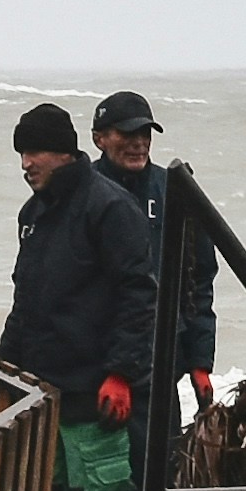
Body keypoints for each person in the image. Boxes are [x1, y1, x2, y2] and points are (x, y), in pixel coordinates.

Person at [0, 100, 161, 491]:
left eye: (35, 152)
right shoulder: (34, 214)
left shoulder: (110, 209)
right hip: (46, 396)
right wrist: (3, 368)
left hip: (96, 399)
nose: (26, 163)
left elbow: (140, 294)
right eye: (21, 153)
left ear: (65, 153)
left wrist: (120, 373)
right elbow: (26, 302)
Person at [87, 90, 217, 402]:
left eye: (145, 133)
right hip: (96, 364)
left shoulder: (176, 190)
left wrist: (200, 362)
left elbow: (200, 276)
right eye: (127, 133)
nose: (139, 142)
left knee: (165, 450)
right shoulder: (82, 193)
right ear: (98, 139)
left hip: (161, 361)